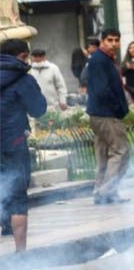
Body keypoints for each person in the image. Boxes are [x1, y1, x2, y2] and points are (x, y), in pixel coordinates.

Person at [0, 39, 47, 252]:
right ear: (22, 56)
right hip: (13, 145)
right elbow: (38, 109)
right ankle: (20, 254)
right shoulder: (23, 79)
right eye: (25, 57)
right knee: (17, 197)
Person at [85, 28, 130, 205]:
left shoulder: (105, 59)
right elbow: (102, 90)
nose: (114, 44)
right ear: (102, 41)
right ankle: (105, 191)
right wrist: (118, 108)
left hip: (99, 113)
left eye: (116, 40)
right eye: (110, 40)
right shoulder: (99, 60)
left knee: (104, 155)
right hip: (106, 114)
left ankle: (102, 191)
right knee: (121, 151)